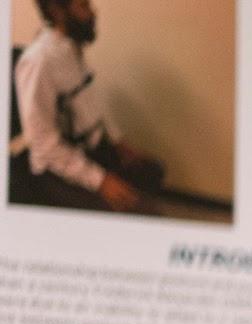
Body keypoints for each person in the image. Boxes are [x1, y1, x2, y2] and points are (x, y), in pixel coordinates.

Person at [12, 0, 165, 215]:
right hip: (55, 169)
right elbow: (44, 145)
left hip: (88, 150)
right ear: (58, 12)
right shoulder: (38, 62)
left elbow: (89, 100)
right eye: (83, 6)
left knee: (153, 172)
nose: (93, 12)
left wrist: (117, 141)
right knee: (138, 209)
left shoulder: (70, 46)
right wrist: (100, 181)